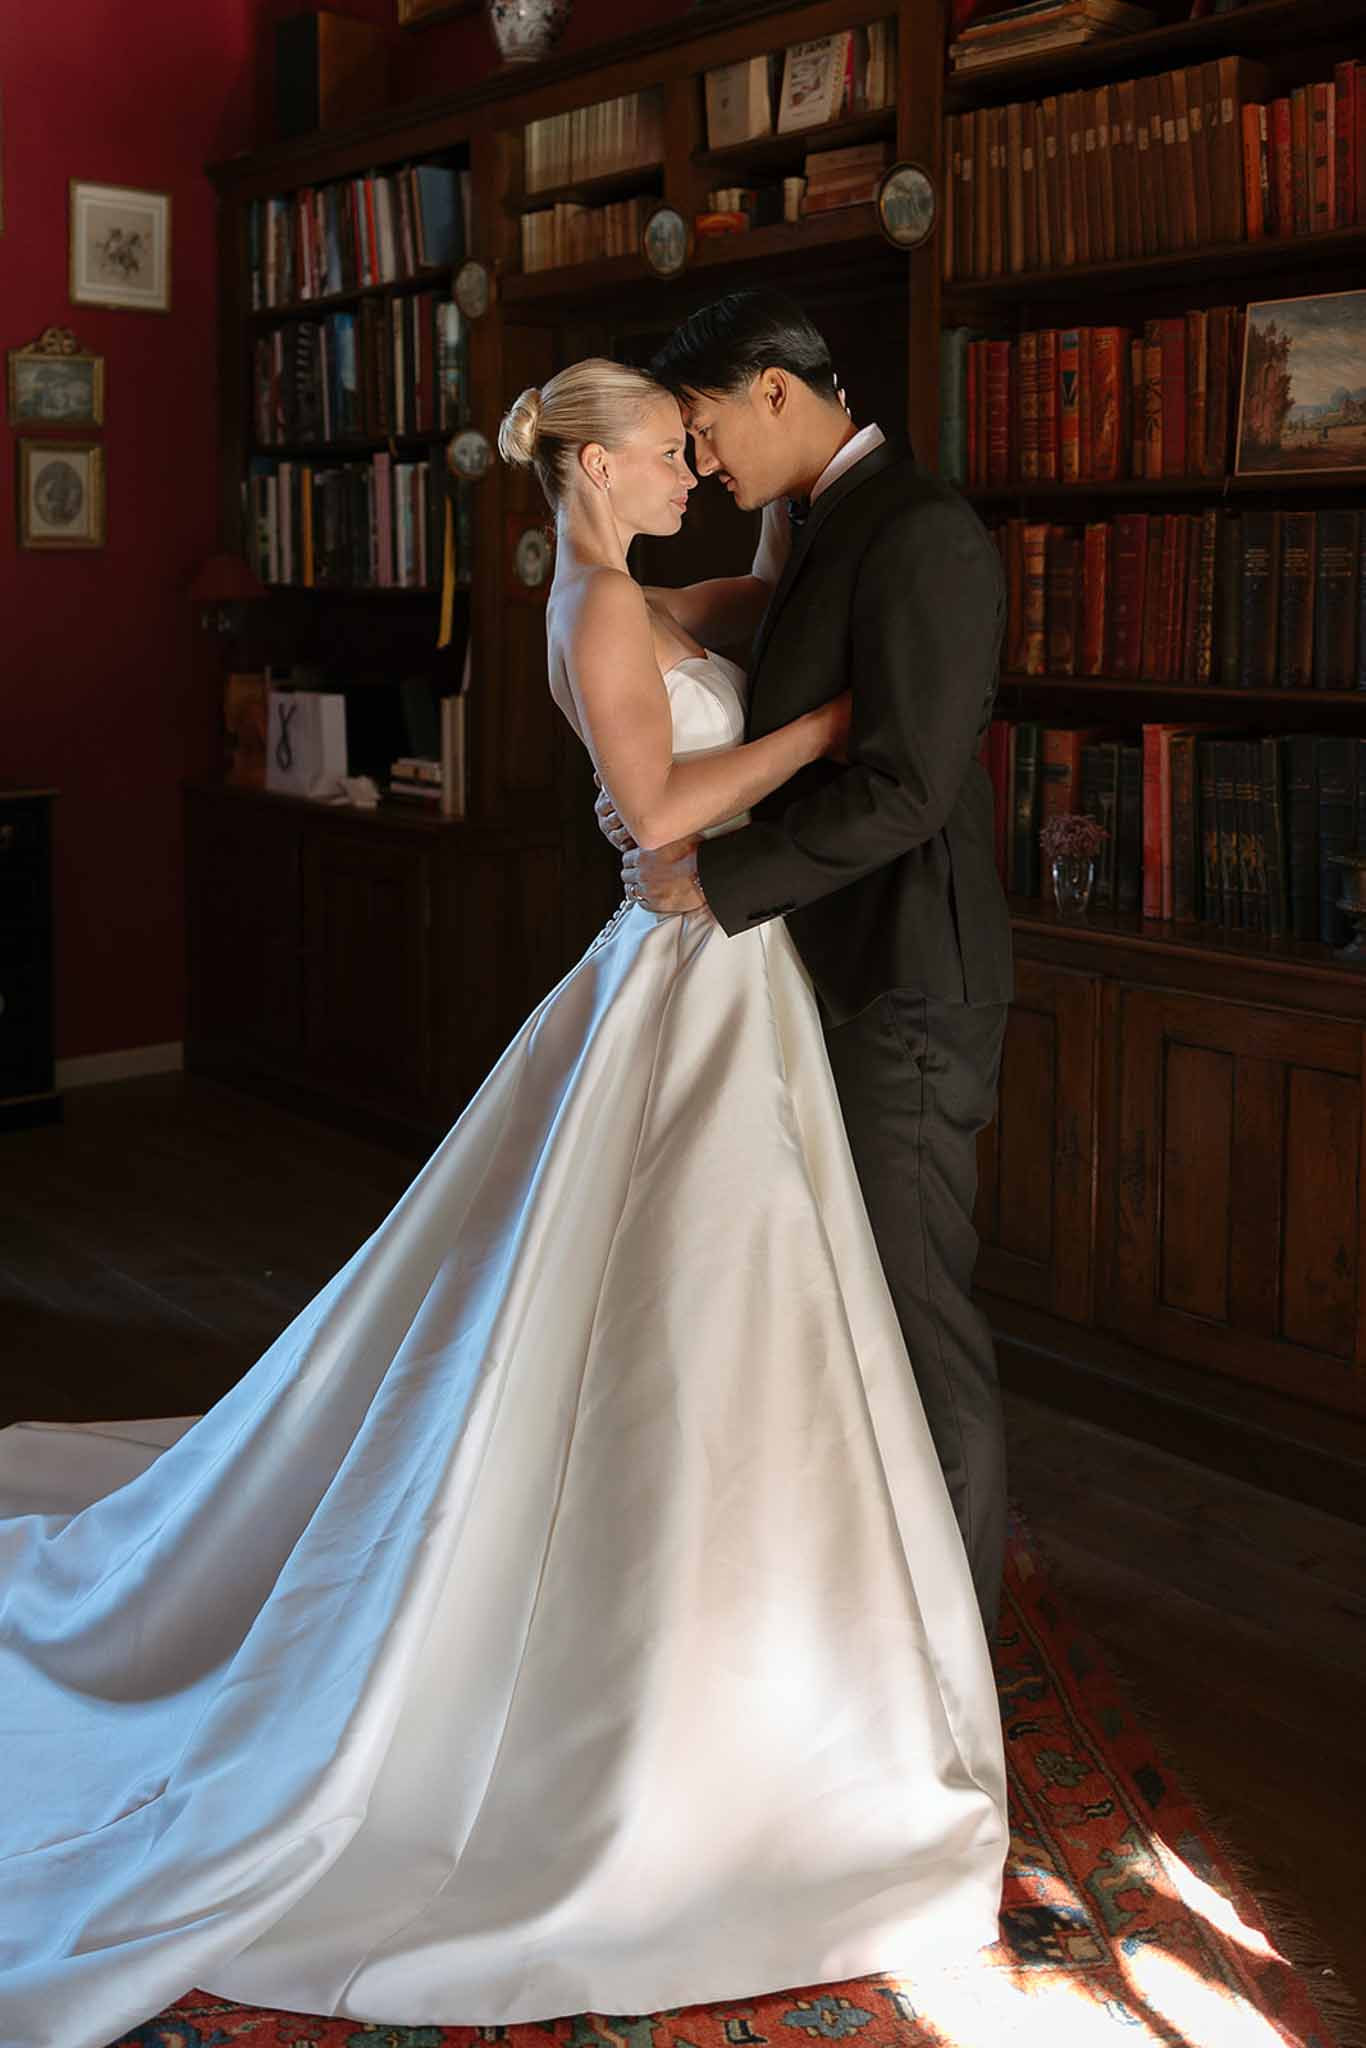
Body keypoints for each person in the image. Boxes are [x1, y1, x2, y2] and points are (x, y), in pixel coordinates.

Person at [0, 358, 1007, 2048]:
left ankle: (758, 1607)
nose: (693, 466)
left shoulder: (641, 583)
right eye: (669, 452)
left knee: (724, 1302)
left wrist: (835, 534)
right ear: (597, 469)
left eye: (703, 443)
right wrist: (834, 728)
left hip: (724, 971)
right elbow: (663, 810)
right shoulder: (595, 610)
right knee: (667, 1299)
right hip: (687, 966)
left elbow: (786, 581)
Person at [595, 290, 1014, 1638]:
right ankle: (863, 1625)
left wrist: (718, 881)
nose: (704, 460)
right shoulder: (819, 528)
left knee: (914, 1332)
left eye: (708, 429)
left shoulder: (923, 532)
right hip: (820, 980)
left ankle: (953, 1668)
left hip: (900, 988)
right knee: (839, 1324)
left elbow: (901, 787)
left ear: (777, 390)